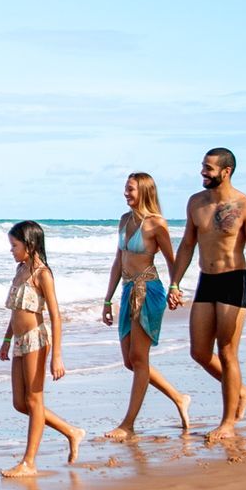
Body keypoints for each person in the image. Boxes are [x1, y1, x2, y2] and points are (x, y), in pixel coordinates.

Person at [169, 147, 246, 442]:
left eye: (209, 168)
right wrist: (175, 283)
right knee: (199, 351)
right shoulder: (196, 203)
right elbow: (187, 245)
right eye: (203, 166)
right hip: (206, 280)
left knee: (227, 353)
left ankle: (227, 422)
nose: (203, 172)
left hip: (234, 281)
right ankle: (242, 391)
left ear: (225, 172)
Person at [101, 173, 190, 438]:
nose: (126, 193)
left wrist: (175, 287)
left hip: (148, 290)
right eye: (125, 189)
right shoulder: (124, 220)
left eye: (131, 189)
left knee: (140, 359)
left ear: (145, 191)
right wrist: (107, 299)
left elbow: (174, 261)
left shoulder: (156, 224)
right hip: (128, 290)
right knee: (131, 361)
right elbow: (119, 261)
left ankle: (128, 425)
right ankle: (178, 397)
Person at [0, 220, 83, 477]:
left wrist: (56, 356)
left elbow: (56, 316)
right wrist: (6, 340)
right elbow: (16, 311)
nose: (11, 250)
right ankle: (71, 431)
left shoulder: (43, 274)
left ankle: (29, 463)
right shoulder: (20, 270)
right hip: (20, 342)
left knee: (35, 400)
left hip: (36, 339)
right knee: (20, 403)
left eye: (14, 245)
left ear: (30, 244)